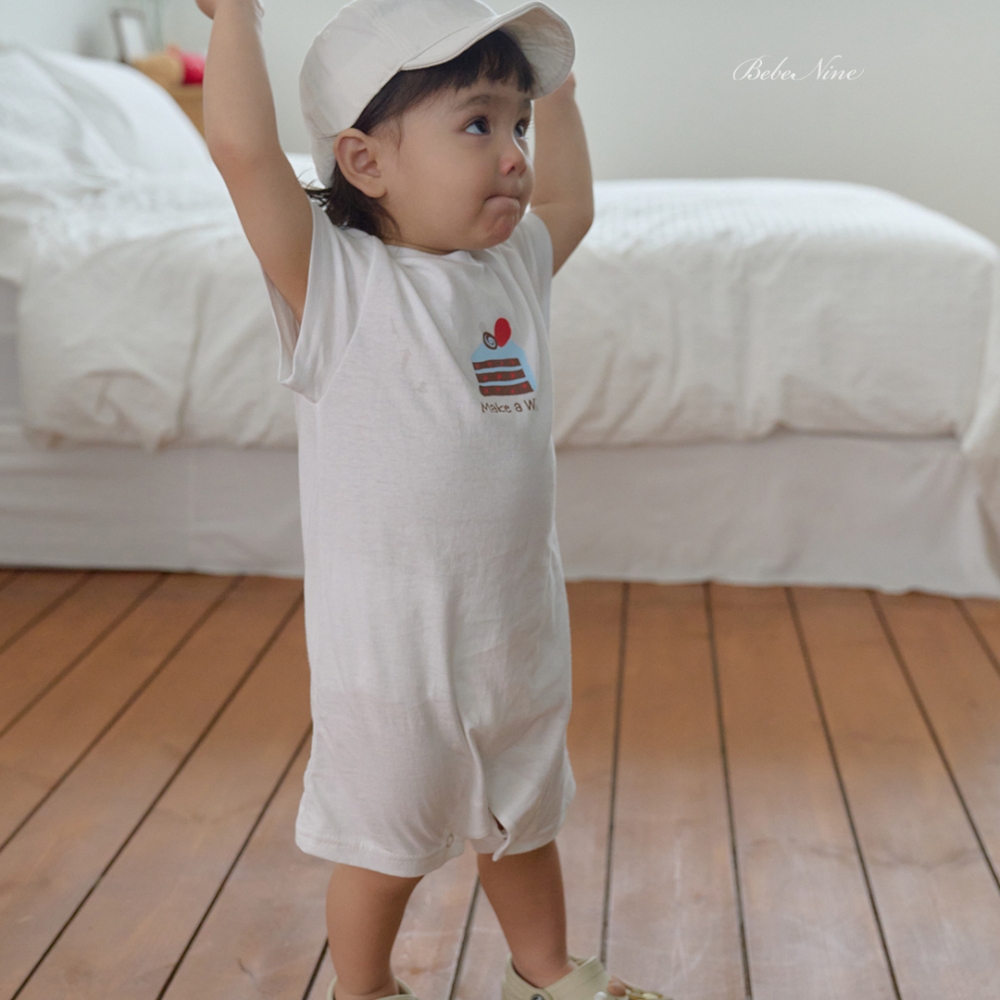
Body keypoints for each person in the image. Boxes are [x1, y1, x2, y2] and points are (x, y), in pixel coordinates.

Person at [195, 1, 667, 998]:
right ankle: (364, 986)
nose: (513, 153)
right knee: (388, 842)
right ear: (366, 162)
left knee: (522, 819)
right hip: (392, 657)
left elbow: (572, 204)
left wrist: (559, 98)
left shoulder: (513, 266)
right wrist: (234, 17)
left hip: (513, 632)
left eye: (518, 124)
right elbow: (243, 154)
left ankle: (546, 972)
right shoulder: (337, 282)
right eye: (477, 125)